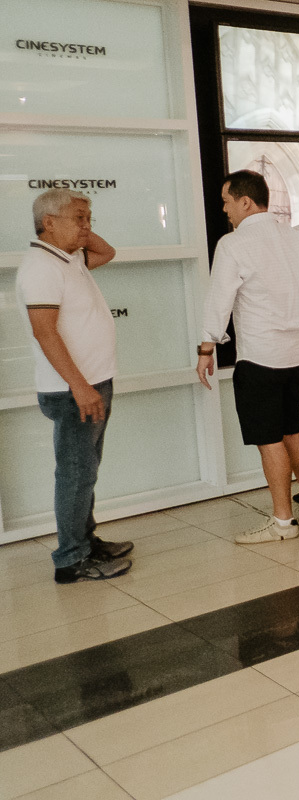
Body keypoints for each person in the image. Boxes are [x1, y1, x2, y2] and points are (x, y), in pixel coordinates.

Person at [196, 171, 299, 544]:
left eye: (227, 202)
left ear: (246, 202)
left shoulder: (233, 244)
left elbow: (219, 302)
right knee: (291, 429)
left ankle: (282, 522)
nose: (225, 210)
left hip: (261, 357)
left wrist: (206, 348)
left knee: (270, 440)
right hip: (298, 356)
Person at [17, 189, 132, 582]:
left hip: (92, 383)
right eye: (78, 218)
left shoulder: (68, 258)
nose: (87, 226)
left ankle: (86, 541)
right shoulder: (41, 267)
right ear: (48, 223)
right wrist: (81, 387)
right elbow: (45, 333)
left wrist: (79, 227)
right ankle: (70, 559)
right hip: (72, 391)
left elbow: (107, 251)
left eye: (89, 218)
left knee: (86, 470)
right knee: (75, 473)